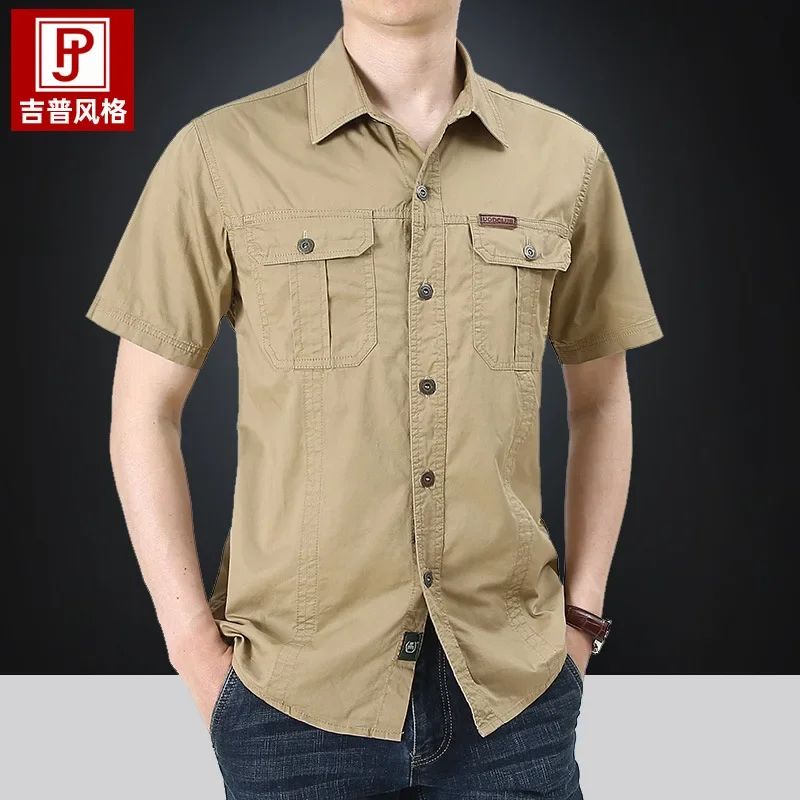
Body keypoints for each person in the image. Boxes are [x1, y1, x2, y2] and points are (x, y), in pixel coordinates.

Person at [86, 1, 662, 797]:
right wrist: (193, 650)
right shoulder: (219, 154)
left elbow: (601, 401)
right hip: (293, 701)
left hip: (514, 698)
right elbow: (143, 412)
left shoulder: (567, 159)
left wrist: (580, 622)